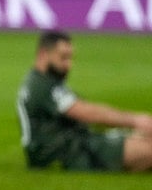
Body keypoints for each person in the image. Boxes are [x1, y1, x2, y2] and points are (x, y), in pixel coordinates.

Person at [16, 30, 152, 171]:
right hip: (67, 154)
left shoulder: (43, 81)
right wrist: (135, 121)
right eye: (63, 58)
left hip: (76, 144)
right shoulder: (41, 86)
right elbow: (86, 113)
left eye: (70, 58)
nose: (69, 65)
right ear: (44, 54)